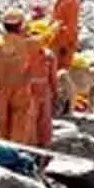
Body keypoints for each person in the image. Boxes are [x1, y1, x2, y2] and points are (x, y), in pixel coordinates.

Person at [0, 8, 37, 145]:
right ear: (20, 25)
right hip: (21, 88)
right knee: (20, 123)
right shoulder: (29, 44)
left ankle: (2, 150)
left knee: (2, 122)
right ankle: (16, 151)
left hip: (2, 88)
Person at [26, 20, 58, 148]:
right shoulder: (27, 53)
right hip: (31, 91)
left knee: (43, 122)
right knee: (32, 122)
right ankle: (33, 149)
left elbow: (53, 77)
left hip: (43, 92)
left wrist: (54, 93)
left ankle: (43, 149)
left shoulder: (49, 55)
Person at [50, 0, 80, 73]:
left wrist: (64, 44)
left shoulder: (70, 0)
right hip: (56, 40)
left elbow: (71, 25)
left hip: (64, 43)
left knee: (62, 71)